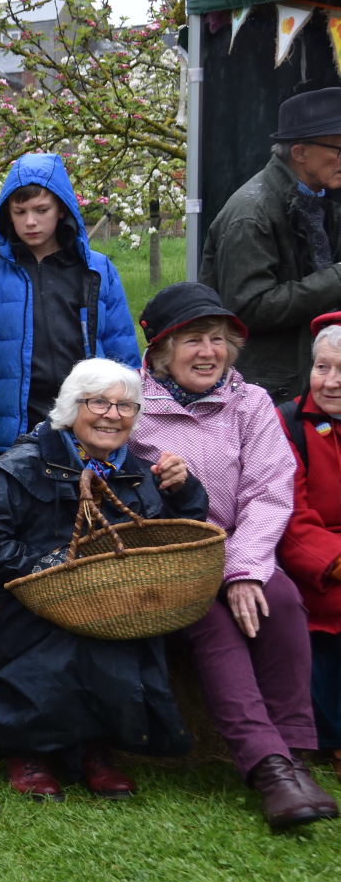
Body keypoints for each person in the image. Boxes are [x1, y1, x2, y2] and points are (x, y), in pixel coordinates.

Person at [128, 282, 336, 831]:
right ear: (162, 352)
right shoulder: (134, 408)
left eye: (217, 339)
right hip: (170, 564)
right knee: (215, 627)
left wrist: (243, 568)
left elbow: (270, 491)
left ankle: (294, 751)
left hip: (242, 549)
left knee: (284, 601)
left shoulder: (251, 402)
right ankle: (267, 766)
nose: (208, 352)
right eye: (193, 339)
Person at [0, 359, 206, 800]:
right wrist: (49, 568)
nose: (113, 415)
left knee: (106, 630)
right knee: (70, 636)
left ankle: (90, 748)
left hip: (105, 600)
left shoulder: (137, 473)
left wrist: (184, 490)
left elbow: (172, 537)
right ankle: (28, 749)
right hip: (12, 601)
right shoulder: (23, 465)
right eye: (98, 403)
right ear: (72, 408)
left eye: (125, 406)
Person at [0, 152, 141, 456]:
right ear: (7, 214)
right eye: (20, 211)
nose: (31, 221)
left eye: (41, 210)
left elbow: (123, 354)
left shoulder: (96, 270)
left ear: (62, 210)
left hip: (87, 423)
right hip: (14, 431)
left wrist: (121, 421)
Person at [202, 88, 341, 402]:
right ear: (300, 152)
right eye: (339, 149)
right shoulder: (251, 214)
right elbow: (247, 307)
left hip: (312, 381)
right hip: (271, 392)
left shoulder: (321, 197)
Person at [276, 311, 341, 771]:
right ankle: (333, 736)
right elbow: (290, 515)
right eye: (322, 367)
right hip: (320, 562)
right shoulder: (289, 423)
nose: (331, 382)